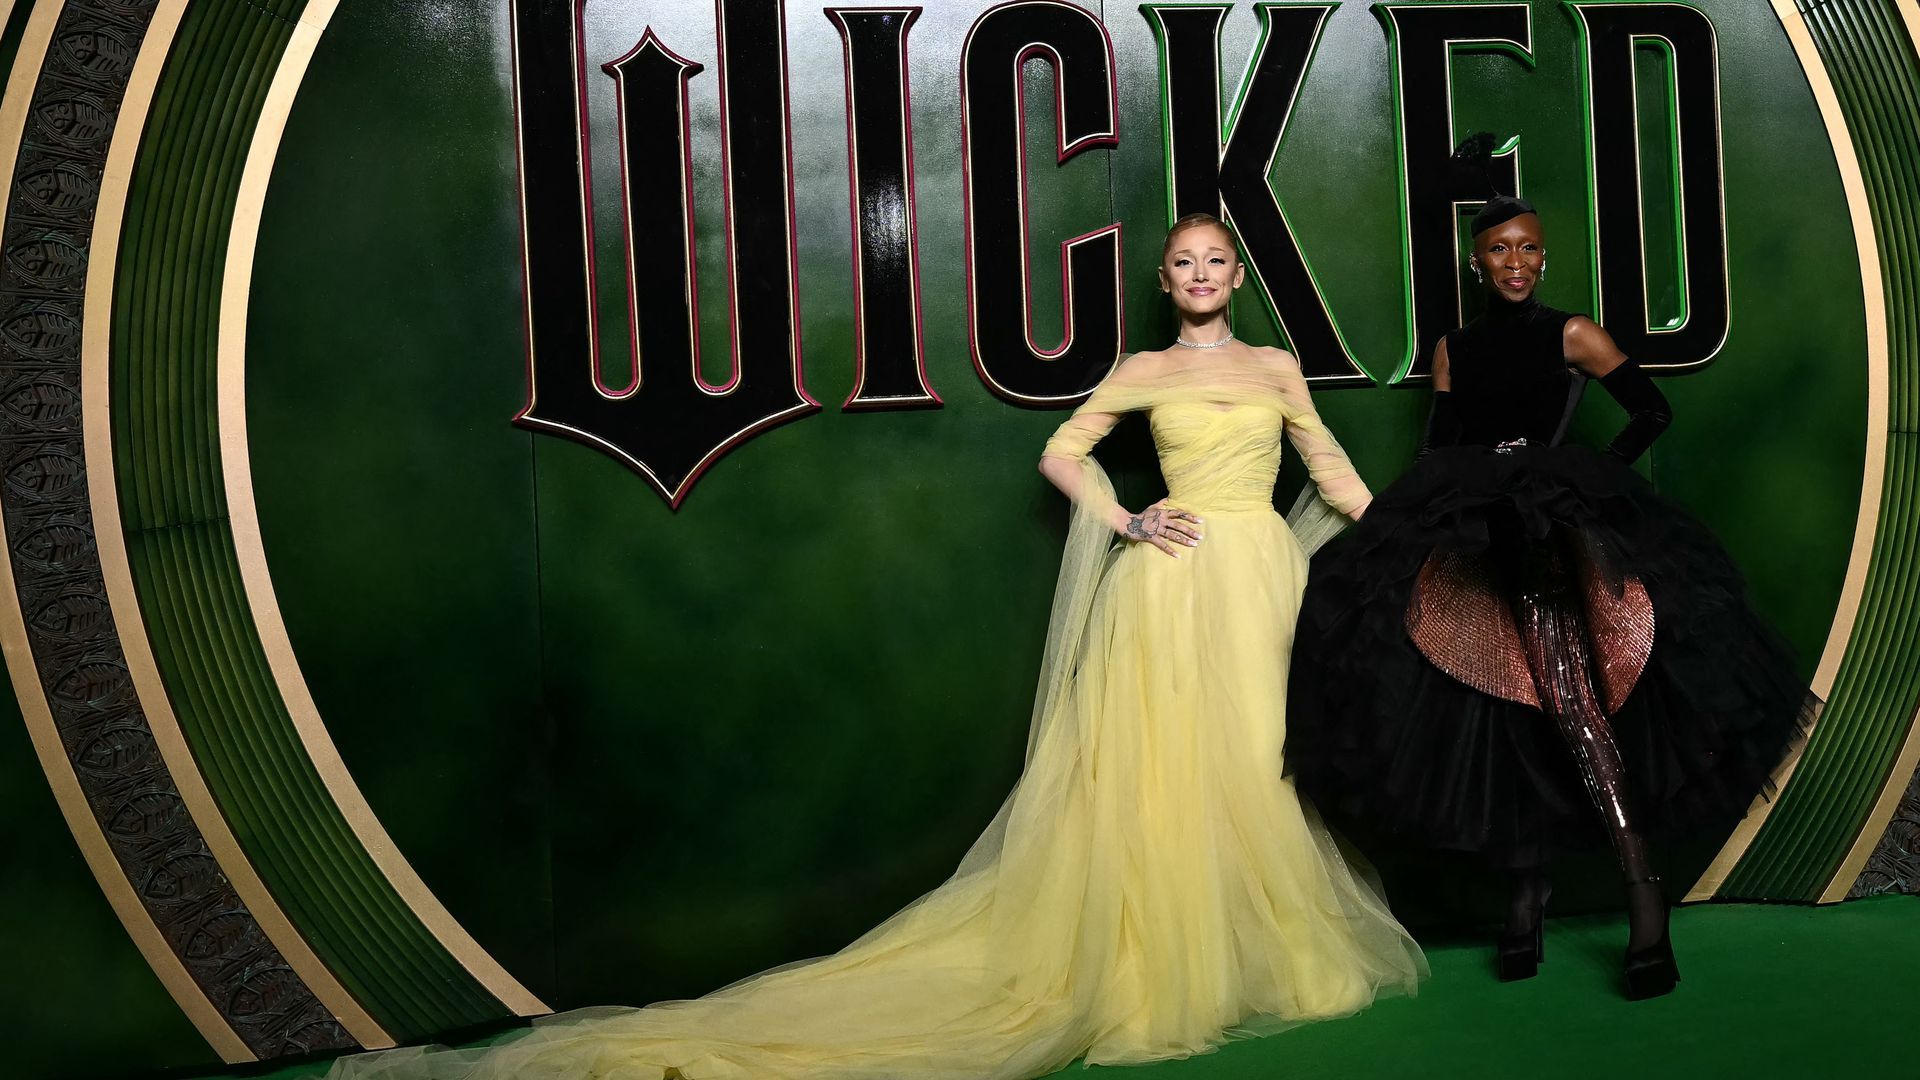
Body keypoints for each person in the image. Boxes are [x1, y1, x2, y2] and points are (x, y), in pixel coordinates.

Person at [327, 214, 1423, 1080]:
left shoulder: (1279, 371)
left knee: (1258, 762)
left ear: (1235, 275)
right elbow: (1063, 455)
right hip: (1177, 588)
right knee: (1168, 776)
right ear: (1168, 279)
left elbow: (1330, 475)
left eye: (1212, 261)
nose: (1196, 274)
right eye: (1181, 261)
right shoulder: (1141, 370)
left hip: (1258, 580)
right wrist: (1131, 519)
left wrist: (1404, 542)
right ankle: (1169, 967)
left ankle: (1249, 953)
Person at [1285, 165, 1810, 1001]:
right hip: (1470, 532)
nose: (1516, 262)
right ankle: (1526, 895)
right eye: (1499, 250)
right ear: (1477, 264)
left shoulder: (1573, 334)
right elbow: (1439, 448)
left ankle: (1644, 899)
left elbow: (1651, 411)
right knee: (1495, 702)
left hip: (1547, 534)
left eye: (1529, 248)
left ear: (1544, 259)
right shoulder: (1455, 349)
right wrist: (1426, 516)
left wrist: (1581, 478)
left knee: (1567, 694)